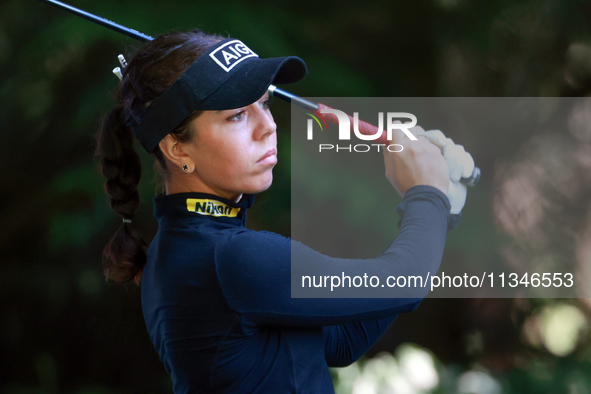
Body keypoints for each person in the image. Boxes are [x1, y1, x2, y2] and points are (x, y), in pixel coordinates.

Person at [95, 29, 461, 393]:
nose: (267, 126)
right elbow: (403, 282)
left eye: (265, 103)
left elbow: (343, 340)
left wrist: (436, 205)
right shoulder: (229, 258)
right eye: (237, 115)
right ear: (177, 148)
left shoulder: (189, 249)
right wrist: (427, 194)